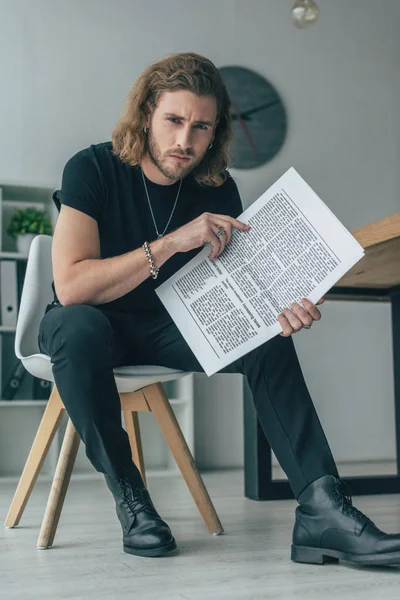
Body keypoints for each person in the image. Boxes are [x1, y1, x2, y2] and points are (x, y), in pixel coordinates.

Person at [38, 52, 400, 565]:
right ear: (146, 114)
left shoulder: (217, 188)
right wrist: (167, 244)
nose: (185, 140)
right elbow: (72, 286)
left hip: (168, 325)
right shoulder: (91, 168)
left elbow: (232, 286)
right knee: (78, 327)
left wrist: (277, 309)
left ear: (215, 132)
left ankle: (323, 510)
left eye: (200, 126)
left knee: (270, 338)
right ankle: (133, 500)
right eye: (174, 120)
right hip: (88, 326)